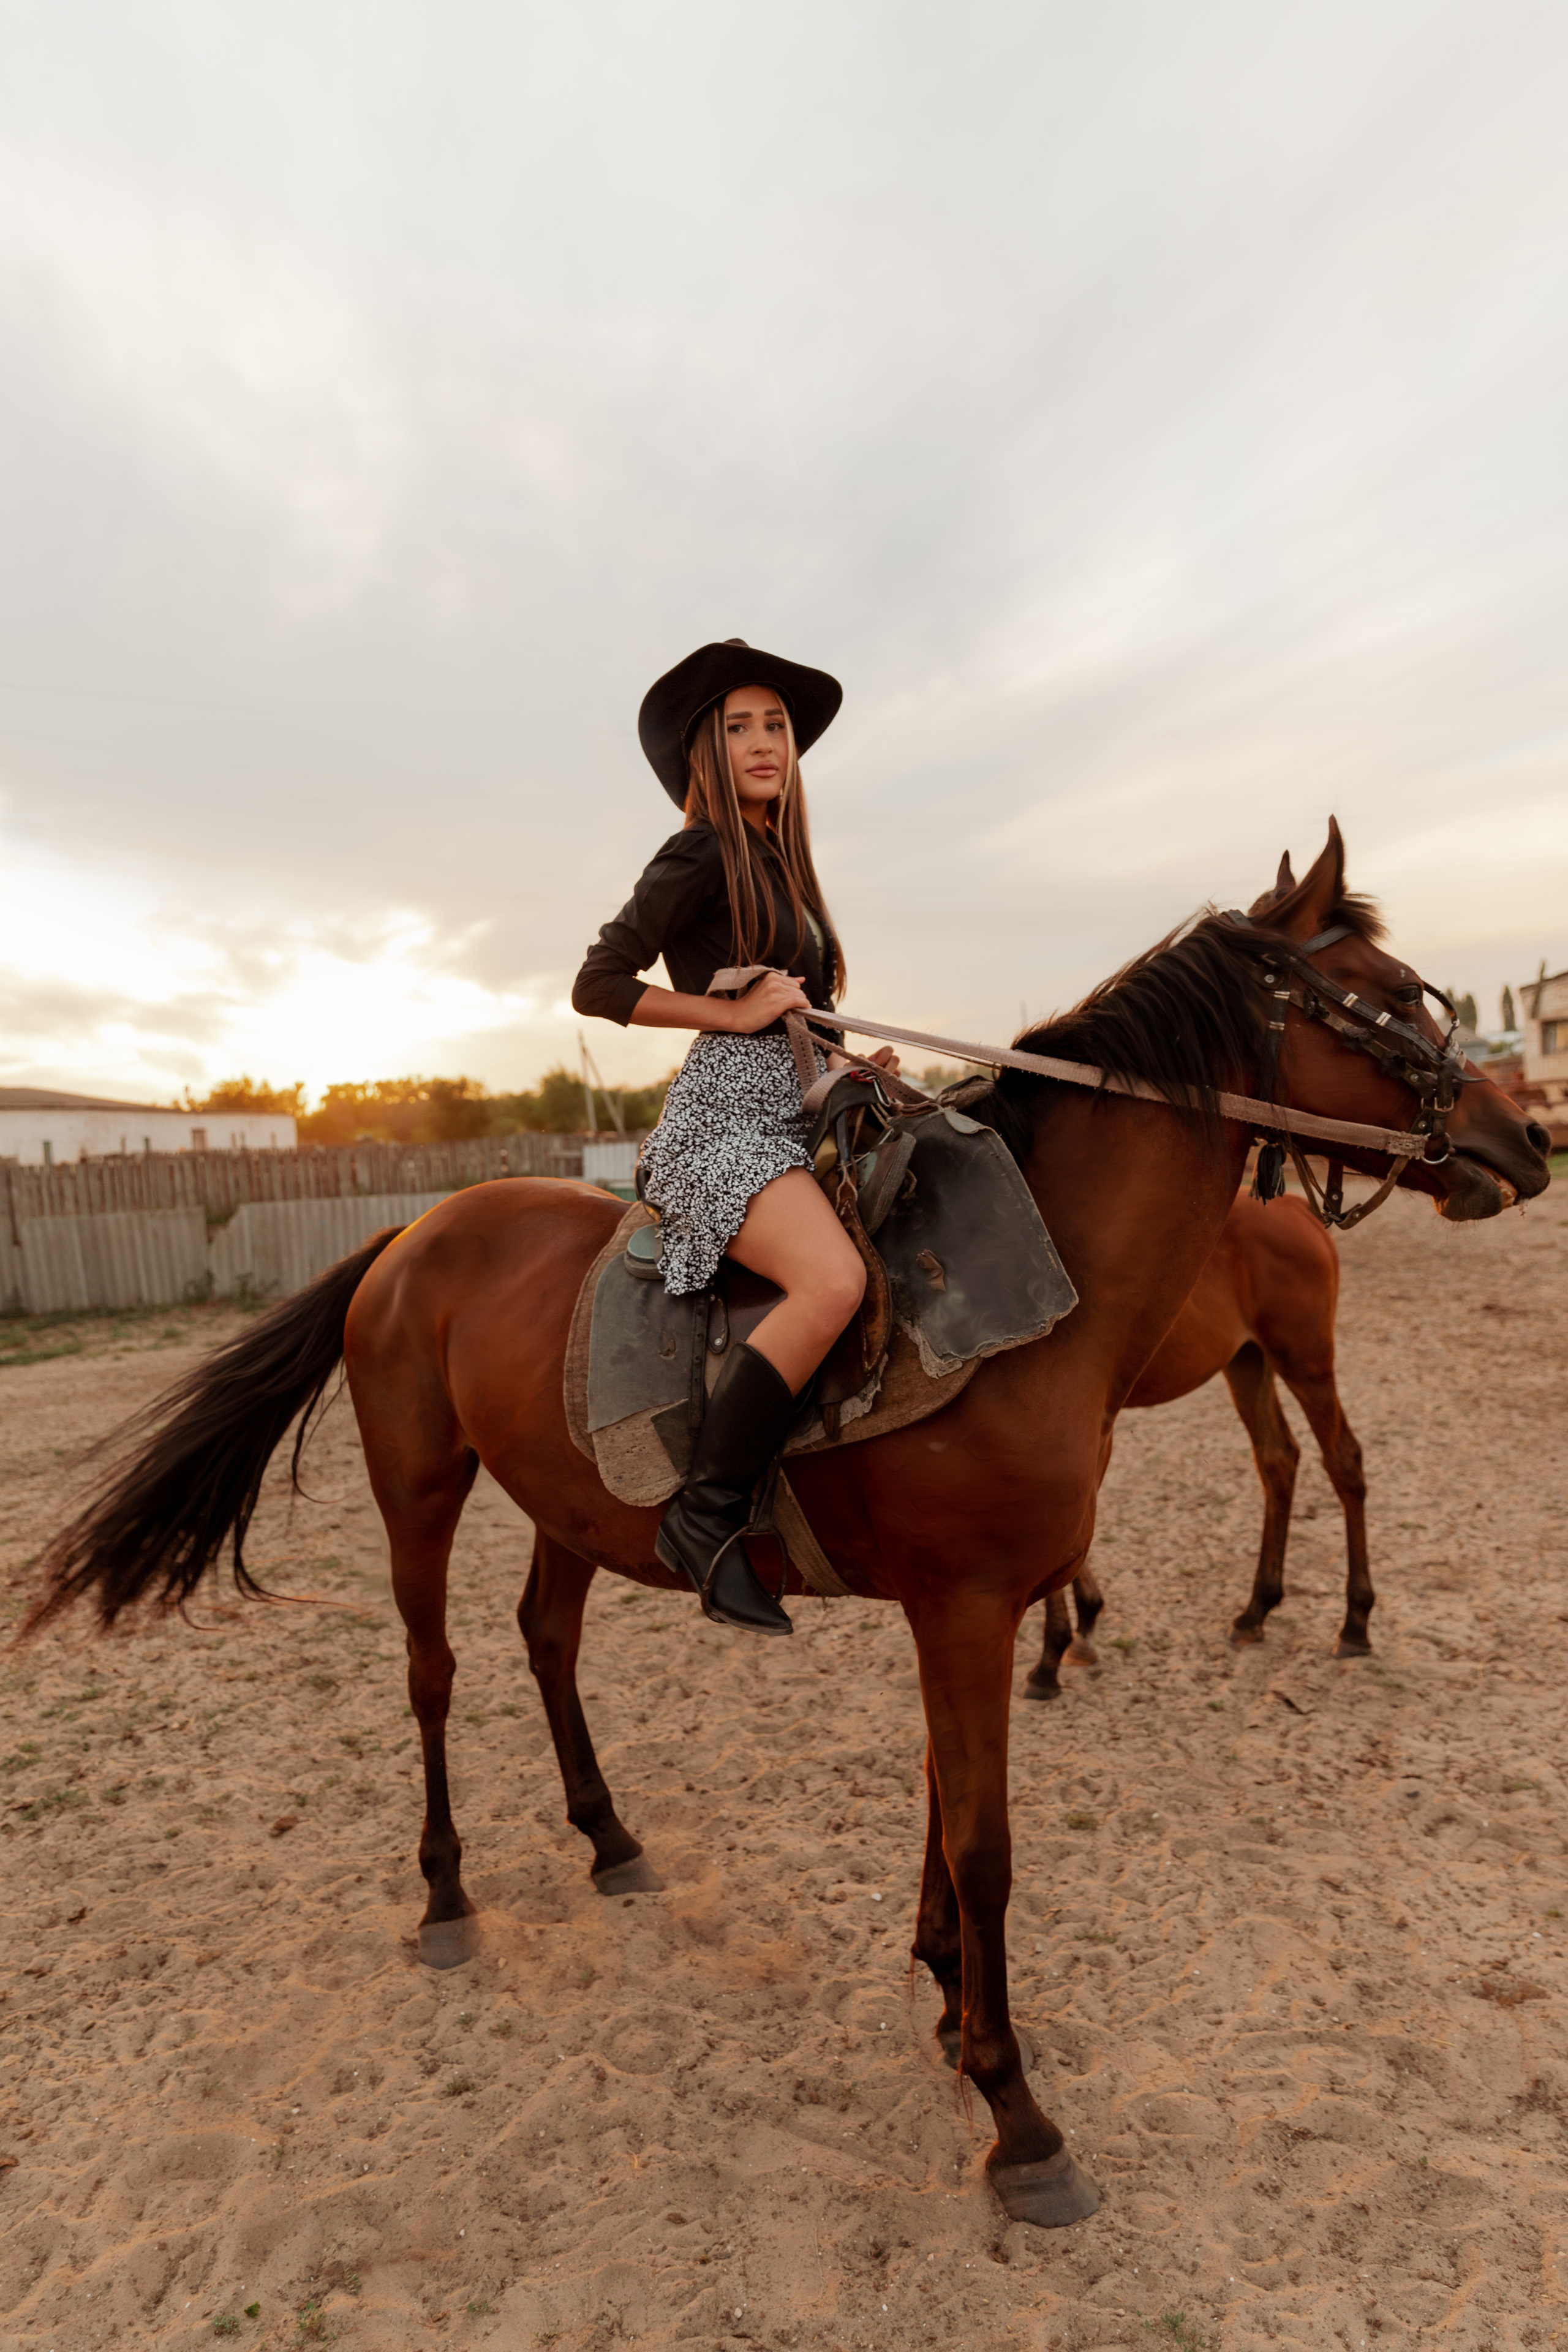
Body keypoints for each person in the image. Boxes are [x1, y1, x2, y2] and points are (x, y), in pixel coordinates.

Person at [573, 638, 896, 1636]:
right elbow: (599, 983)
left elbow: (800, 1009)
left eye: (777, 727)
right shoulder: (701, 849)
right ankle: (705, 1520)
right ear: (705, 754)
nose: (764, 743)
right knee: (832, 1283)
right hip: (721, 1119)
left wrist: (848, 1064)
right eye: (739, 728)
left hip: (791, 1105)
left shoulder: (781, 866)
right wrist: (733, 1015)